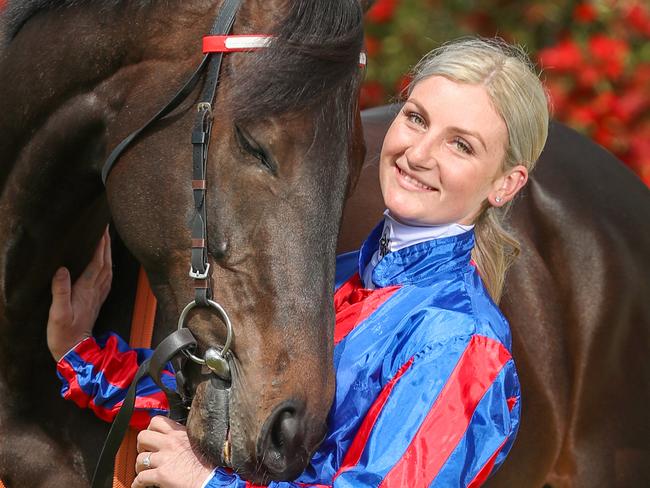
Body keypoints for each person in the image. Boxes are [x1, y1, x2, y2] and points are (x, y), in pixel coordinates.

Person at [47, 37, 549, 487]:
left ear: (506, 184)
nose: (418, 152)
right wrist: (83, 357)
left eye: (460, 145)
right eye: (416, 118)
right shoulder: (342, 274)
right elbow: (231, 400)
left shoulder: (465, 343)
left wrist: (206, 483)